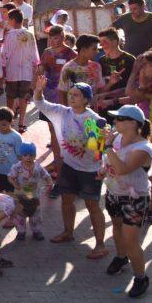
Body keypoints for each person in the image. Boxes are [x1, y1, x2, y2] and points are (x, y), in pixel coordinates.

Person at [33, 76, 107, 258]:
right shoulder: (62, 112)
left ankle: (100, 245)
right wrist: (39, 90)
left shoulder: (95, 120)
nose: (71, 97)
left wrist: (95, 146)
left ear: (86, 100)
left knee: (92, 206)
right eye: (71, 94)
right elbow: (39, 103)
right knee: (66, 201)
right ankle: (68, 232)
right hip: (69, 166)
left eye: (76, 95)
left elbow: (99, 150)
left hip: (90, 171)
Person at [102, 104, 152, 298]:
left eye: (119, 119)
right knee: (116, 227)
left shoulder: (144, 149)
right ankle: (121, 257)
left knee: (131, 240)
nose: (115, 122)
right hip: (114, 193)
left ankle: (140, 277)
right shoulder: (117, 138)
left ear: (133, 123)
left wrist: (107, 147)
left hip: (135, 199)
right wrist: (103, 169)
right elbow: (110, 162)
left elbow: (123, 169)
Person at [7, 142, 52, 241]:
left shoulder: (37, 167)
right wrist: (15, 184)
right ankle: (21, 231)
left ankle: (37, 231)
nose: (28, 157)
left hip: (34, 196)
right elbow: (10, 177)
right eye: (25, 155)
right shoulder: (17, 167)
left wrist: (49, 182)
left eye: (31, 155)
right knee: (20, 214)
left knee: (35, 214)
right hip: (20, 195)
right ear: (21, 156)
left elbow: (46, 175)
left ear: (35, 156)